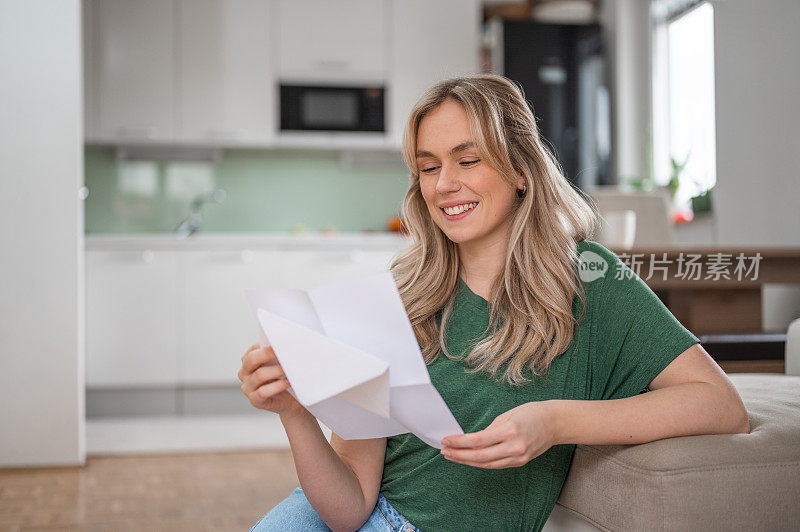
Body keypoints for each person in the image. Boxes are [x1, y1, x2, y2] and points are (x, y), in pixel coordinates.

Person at [239, 74, 749, 532]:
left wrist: (555, 422)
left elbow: (721, 405)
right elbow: (348, 509)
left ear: (521, 169)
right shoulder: (396, 300)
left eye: (468, 160)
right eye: (428, 167)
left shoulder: (590, 279)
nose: (444, 185)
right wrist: (294, 414)